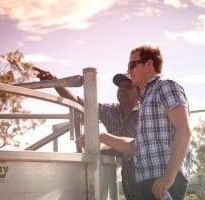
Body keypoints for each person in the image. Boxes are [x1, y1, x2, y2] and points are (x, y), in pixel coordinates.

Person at [79, 45, 191, 200]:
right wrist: (102, 136)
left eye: (132, 65)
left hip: (163, 179)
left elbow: (184, 130)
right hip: (147, 180)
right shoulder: (146, 99)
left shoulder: (165, 86)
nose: (129, 70)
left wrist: (169, 176)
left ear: (149, 64)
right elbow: (135, 146)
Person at [34, 67, 142, 200]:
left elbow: (138, 146)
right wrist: (55, 83)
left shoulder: (147, 112)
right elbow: (79, 102)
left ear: (139, 92)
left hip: (150, 170)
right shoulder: (110, 111)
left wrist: (100, 142)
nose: (122, 89)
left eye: (128, 86)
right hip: (129, 174)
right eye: (120, 87)